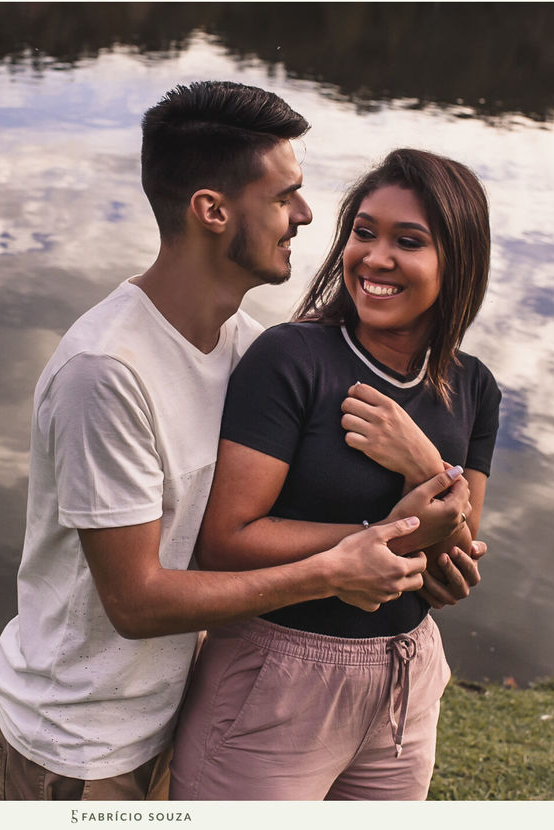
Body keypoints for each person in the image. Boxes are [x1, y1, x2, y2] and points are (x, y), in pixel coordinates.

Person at [0, 85, 479, 801]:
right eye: (286, 197)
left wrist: (420, 546)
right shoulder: (106, 371)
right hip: (77, 746)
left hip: (183, 714)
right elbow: (137, 601)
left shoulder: (250, 352)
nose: (308, 216)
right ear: (213, 211)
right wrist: (336, 570)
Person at [169, 148, 501, 801]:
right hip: (276, 677)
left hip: (405, 678)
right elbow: (225, 542)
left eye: (409, 242)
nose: (375, 257)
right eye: (364, 232)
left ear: (458, 261)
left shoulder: (475, 387)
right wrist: (387, 530)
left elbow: (451, 552)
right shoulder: (291, 360)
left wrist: (423, 466)